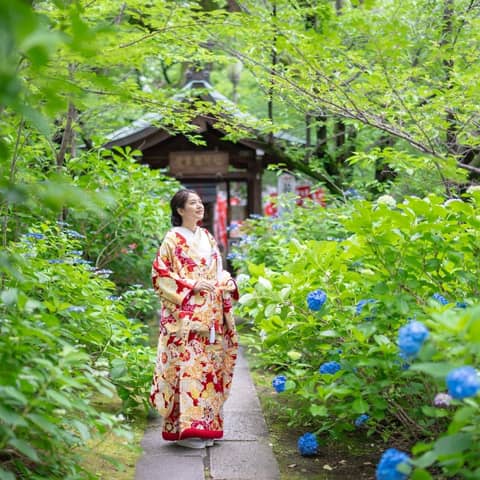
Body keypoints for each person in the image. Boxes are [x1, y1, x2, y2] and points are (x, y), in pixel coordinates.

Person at [149, 189, 239, 449]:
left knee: (210, 369)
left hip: (210, 313)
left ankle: (208, 427)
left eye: (200, 202)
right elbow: (160, 274)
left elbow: (219, 270)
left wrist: (226, 282)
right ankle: (187, 431)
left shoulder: (208, 237)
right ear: (180, 210)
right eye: (192, 203)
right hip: (185, 317)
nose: (199, 206)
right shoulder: (172, 239)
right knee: (188, 370)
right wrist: (191, 285)